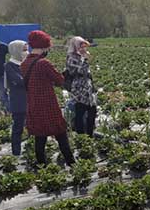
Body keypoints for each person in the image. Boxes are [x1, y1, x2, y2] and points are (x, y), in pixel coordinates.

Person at [21, 30, 75, 166]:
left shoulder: (24, 63)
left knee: (40, 137)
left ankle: (42, 165)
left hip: (33, 104)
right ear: (44, 46)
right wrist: (66, 74)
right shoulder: (43, 63)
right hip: (48, 104)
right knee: (61, 134)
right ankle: (72, 163)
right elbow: (59, 80)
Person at [66, 36, 97, 137]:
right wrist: (84, 59)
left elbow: (88, 68)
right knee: (80, 110)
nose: (83, 49)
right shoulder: (71, 57)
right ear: (75, 47)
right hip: (79, 87)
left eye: (84, 47)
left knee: (92, 110)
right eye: (81, 47)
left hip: (88, 86)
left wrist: (87, 58)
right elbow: (75, 71)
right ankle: (81, 136)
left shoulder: (82, 56)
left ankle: (89, 134)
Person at [5, 40, 28, 156]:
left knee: (33, 126)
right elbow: (19, 81)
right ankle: (16, 152)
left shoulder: (27, 63)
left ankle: (30, 149)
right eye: (24, 50)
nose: (26, 52)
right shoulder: (9, 66)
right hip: (18, 101)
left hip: (30, 100)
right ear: (16, 51)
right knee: (18, 127)